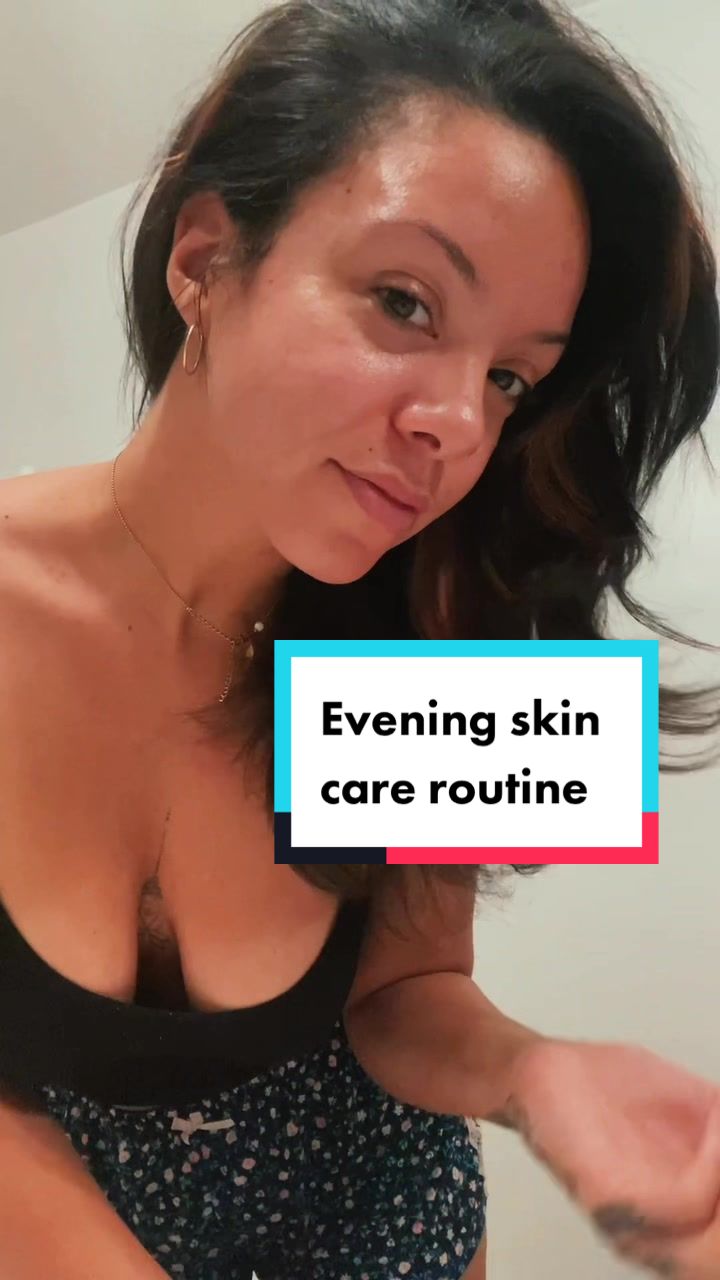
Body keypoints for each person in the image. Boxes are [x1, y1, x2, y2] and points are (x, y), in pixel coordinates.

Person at [1, 0, 719, 1276]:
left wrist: (535, 1071)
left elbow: (403, 992)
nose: (461, 423)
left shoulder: (431, 629)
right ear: (205, 255)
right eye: (405, 301)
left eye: (511, 377)